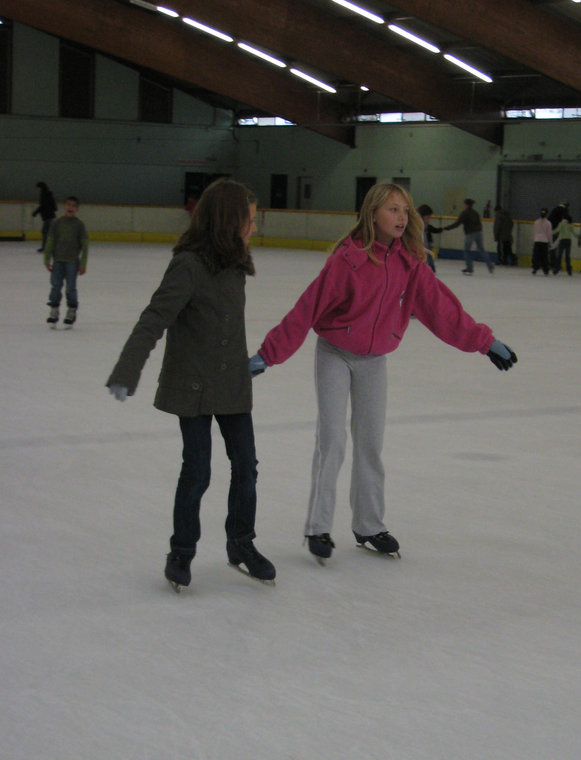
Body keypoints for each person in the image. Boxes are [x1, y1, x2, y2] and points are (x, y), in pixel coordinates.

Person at [249, 182, 517, 563]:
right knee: (333, 440)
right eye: (393, 209)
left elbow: (442, 310)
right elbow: (306, 309)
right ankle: (319, 526)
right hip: (335, 354)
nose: (401, 217)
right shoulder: (348, 259)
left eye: (404, 211)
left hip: (374, 361)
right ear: (373, 212)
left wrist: (484, 342)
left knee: (370, 442)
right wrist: (267, 354)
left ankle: (369, 524)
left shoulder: (410, 263)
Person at [105, 178, 276, 591]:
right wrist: (127, 370)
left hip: (232, 386)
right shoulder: (189, 266)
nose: (255, 229)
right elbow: (154, 319)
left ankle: (241, 543)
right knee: (197, 471)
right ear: (227, 221)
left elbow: (225, 326)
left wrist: (244, 361)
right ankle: (182, 551)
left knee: (246, 468)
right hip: (194, 387)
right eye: (249, 221)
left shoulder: (236, 265)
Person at [43, 196, 88, 328]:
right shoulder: (57, 223)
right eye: (68, 205)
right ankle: (54, 309)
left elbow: (85, 245)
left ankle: (71, 310)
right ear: (64, 207)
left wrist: (83, 264)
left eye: (74, 206)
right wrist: (46, 258)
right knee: (56, 286)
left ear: (77, 209)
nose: (70, 207)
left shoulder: (79, 225)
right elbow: (50, 241)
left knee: (70, 288)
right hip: (58, 261)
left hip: (72, 262)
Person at [441, 197, 494, 275]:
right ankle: (490, 265)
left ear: (466, 205)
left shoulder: (465, 213)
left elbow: (457, 223)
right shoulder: (475, 213)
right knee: (481, 249)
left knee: (467, 250)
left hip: (470, 233)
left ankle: (469, 268)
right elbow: (479, 223)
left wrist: (446, 228)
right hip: (479, 232)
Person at [416, 203, 443, 272]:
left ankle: (431, 268)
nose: (429, 220)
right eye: (428, 217)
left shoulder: (424, 226)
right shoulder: (418, 226)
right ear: (422, 216)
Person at [33, 181, 57, 252]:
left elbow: (43, 205)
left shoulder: (44, 195)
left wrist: (36, 212)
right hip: (50, 215)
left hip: (48, 216)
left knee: (45, 232)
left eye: (38, 188)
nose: (38, 189)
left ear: (41, 188)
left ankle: (46, 247)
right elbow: (54, 206)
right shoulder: (49, 194)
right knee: (48, 232)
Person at [531, 208, 553, 275]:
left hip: (537, 240)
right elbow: (549, 233)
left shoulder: (536, 222)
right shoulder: (548, 223)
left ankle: (535, 268)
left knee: (536, 256)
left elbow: (535, 231)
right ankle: (545, 270)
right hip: (544, 241)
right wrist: (550, 242)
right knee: (544, 257)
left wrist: (535, 239)